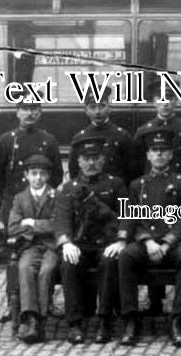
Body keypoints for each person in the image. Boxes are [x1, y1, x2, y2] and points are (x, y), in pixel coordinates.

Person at [117, 129, 181, 347]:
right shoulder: (137, 185)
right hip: (147, 243)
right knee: (126, 257)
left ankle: (177, 320)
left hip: (173, 243)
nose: (159, 155)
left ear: (171, 155)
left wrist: (167, 241)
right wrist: (148, 241)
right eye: (155, 151)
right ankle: (131, 320)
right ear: (148, 155)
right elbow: (133, 218)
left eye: (164, 151)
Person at [53, 135, 127, 344]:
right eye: (86, 158)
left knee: (109, 262)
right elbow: (61, 219)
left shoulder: (116, 185)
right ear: (78, 161)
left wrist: (121, 241)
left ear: (103, 160)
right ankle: (75, 323)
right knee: (69, 264)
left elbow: (127, 216)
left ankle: (105, 320)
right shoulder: (69, 188)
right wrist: (66, 243)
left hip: (107, 244)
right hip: (80, 245)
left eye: (96, 158)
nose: (91, 163)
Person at [134, 77, 181, 316]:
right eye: (161, 99)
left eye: (170, 98)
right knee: (153, 231)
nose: (166, 103)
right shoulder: (144, 131)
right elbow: (138, 167)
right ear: (153, 102)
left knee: (180, 247)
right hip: (153, 194)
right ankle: (154, 299)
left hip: (180, 194)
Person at [7, 154, 59, 344]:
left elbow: (59, 224)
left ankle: (42, 319)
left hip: (51, 247)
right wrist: (40, 228)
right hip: (29, 247)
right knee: (25, 268)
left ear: (48, 176)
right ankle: (30, 317)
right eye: (34, 174)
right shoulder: (20, 199)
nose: (38, 178)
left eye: (42, 174)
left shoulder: (56, 196)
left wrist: (32, 223)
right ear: (26, 175)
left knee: (46, 271)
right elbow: (12, 227)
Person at [0, 98, 63, 228]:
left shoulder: (49, 140)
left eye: (34, 109)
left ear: (40, 112)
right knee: (12, 244)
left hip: (43, 207)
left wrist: (42, 197)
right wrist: (9, 197)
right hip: (13, 204)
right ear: (17, 112)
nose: (29, 113)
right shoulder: (6, 140)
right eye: (25, 109)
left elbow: (56, 175)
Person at [69, 87, 134, 181]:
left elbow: (133, 171)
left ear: (109, 108)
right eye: (92, 107)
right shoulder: (80, 138)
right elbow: (74, 172)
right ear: (86, 111)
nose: (98, 111)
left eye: (102, 106)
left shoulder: (122, 136)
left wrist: (122, 195)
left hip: (117, 193)